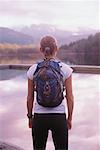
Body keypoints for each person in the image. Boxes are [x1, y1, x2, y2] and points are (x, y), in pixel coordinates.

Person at [27, 35, 74, 150]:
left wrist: (30, 117)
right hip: (59, 117)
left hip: (39, 117)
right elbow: (70, 97)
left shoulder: (33, 69)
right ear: (56, 48)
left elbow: (29, 97)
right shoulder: (65, 69)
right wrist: (69, 118)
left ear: (41, 50)